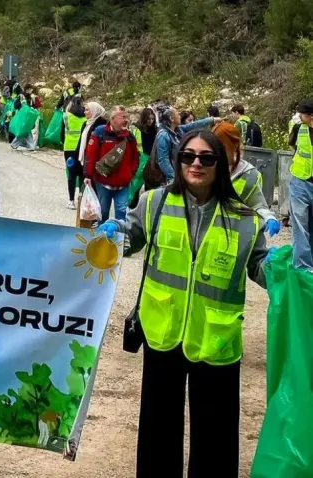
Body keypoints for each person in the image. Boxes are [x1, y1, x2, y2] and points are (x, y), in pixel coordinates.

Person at [97, 129, 268, 478]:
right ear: (178, 161)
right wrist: (112, 233)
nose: (196, 164)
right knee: (158, 434)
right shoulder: (155, 202)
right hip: (163, 334)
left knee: (216, 440)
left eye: (207, 158)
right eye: (188, 156)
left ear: (221, 164)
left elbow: (260, 266)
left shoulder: (245, 219)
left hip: (216, 341)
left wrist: (286, 270)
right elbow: (130, 237)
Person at [213, 122, 280, 235]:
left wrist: (269, 218)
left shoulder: (249, 174)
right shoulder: (206, 167)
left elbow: (257, 205)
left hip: (235, 234)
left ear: (234, 145)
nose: (217, 151)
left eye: (222, 147)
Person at [84, 105, 140, 221]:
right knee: (102, 213)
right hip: (103, 183)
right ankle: (102, 237)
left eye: (126, 117)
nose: (126, 120)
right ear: (112, 119)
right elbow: (90, 155)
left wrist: (131, 173)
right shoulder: (100, 133)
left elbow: (135, 157)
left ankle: (119, 238)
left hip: (123, 185)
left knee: (121, 215)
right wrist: (88, 175)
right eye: (122, 117)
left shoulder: (130, 137)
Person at [155, 107, 220, 184]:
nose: (179, 116)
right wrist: (174, 177)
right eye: (177, 114)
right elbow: (163, 160)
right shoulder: (163, 135)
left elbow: (193, 125)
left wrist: (212, 120)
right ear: (172, 118)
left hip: (182, 174)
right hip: (174, 178)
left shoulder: (178, 130)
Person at [287, 100, 313, 270]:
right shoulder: (298, 128)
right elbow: (292, 146)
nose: (299, 116)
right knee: (299, 225)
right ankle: (303, 268)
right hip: (300, 181)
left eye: (302, 113)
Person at [128, 107, 158, 208]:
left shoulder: (155, 130)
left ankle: (147, 209)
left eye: (152, 119)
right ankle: (133, 208)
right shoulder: (136, 129)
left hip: (151, 161)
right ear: (144, 118)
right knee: (135, 187)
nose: (150, 121)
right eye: (148, 119)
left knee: (150, 188)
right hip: (139, 161)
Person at [62, 97, 87, 209]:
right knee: (82, 174)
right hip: (82, 148)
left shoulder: (66, 116)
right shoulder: (86, 117)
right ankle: (81, 199)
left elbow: (61, 133)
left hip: (69, 148)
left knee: (71, 175)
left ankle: (71, 201)